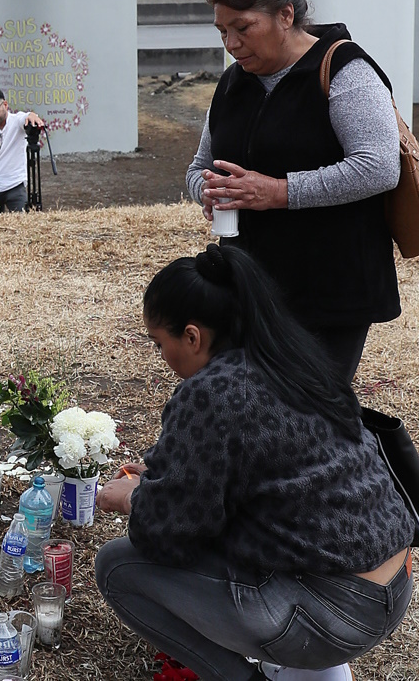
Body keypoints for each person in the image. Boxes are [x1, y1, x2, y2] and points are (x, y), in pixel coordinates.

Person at [95, 244, 413, 681]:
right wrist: (168, 477)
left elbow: (169, 536)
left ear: (192, 336)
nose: (161, 355)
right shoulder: (293, 361)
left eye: (159, 343)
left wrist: (132, 498)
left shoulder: (213, 391)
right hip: (394, 583)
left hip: (335, 612)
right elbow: (271, 474)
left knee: (116, 566)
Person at [186, 0, 400, 382]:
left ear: (285, 15)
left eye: (243, 28)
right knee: (248, 405)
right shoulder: (232, 82)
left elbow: (379, 166)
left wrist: (278, 192)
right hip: (247, 286)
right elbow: (199, 165)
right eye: (222, 31)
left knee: (311, 409)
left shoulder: (344, 69)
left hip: (331, 290)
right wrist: (206, 189)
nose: (231, 44)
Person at [0, 87, 45, 214]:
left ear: (5, 105)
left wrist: (32, 115)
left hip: (13, 184)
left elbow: (24, 117)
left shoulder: (16, 122)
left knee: (22, 220)